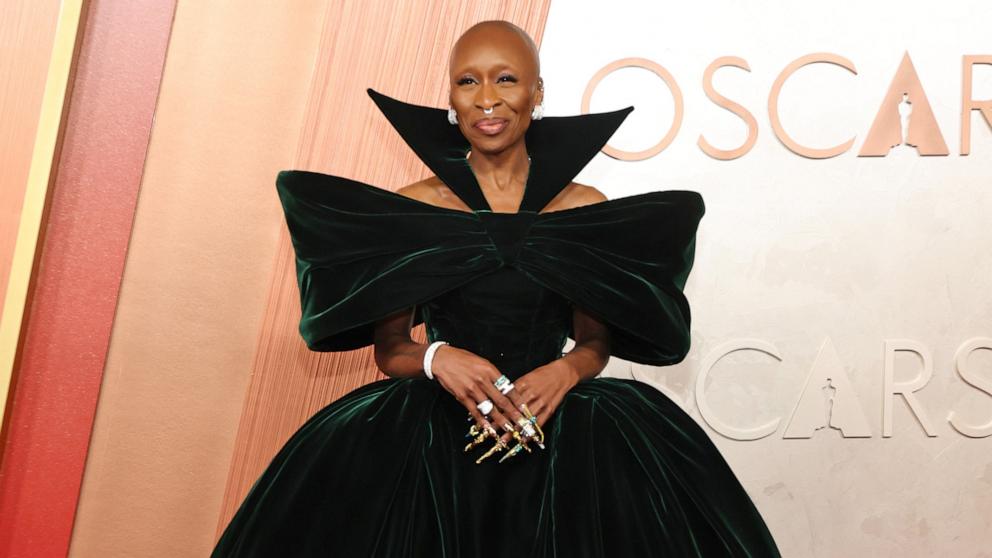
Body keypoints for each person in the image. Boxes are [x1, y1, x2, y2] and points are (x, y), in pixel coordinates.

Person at [212, 20, 781, 558]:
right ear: (450, 101)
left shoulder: (585, 209)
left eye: (506, 78)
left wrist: (564, 371)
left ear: (537, 93)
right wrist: (437, 357)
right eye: (468, 81)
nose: (487, 97)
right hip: (430, 433)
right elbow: (391, 350)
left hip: (562, 427)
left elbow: (593, 344)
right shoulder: (412, 208)